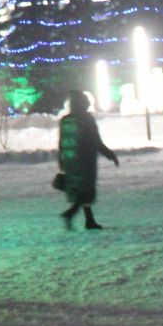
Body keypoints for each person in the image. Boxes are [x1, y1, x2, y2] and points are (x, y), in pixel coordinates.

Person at [56, 89, 119, 230]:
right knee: (87, 190)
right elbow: (96, 141)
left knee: (79, 189)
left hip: (70, 161)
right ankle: (71, 214)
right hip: (86, 160)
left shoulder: (65, 120)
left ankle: (89, 220)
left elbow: (61, 142)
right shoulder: (86, 119)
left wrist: (61, 160)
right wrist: (110, 155)